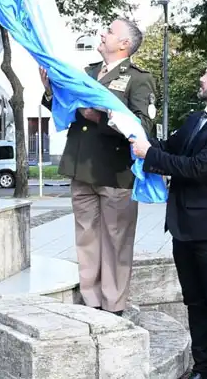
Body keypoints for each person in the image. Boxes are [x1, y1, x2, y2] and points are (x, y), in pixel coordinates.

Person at [130, 56, 207, 379]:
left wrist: (150, 155)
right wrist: (134, 134)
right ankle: (202, 367)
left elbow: (196, 168)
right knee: (195, 303)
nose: (201, 78)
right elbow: (168, 147)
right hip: (185, 230)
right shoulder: (197, 119)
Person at [40, 18, 157, 316]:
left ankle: (114, 304)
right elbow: (67, 108)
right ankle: (91, 300)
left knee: (116, 239)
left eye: (109, 32)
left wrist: (102, 119)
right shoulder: (89, 72)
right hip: (81, 166)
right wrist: (51, 92)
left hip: (115, 171)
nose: (102, 34)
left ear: (124, 44)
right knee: (86, 236)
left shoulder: (138, 79)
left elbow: (143, 125)